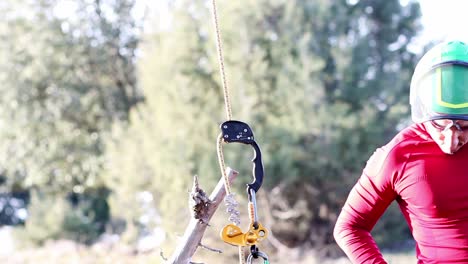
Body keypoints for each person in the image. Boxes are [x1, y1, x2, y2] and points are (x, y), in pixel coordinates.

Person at [333, 40, 468, 263]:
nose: (451, 139)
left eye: (464, 127)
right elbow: (349, 227)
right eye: (439, 125)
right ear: (425, 112)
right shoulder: (397, 155)